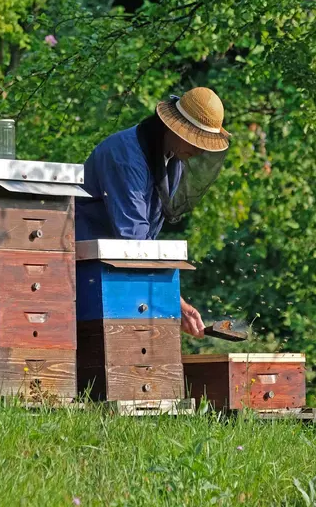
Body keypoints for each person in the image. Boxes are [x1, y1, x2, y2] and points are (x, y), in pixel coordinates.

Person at [76, 87, 231, 338]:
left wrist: (173, 300)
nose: (200, 151)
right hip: (88, 269)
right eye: (196, 140)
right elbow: (134, 240)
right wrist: (174, 300)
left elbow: (146, 241)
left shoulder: (172, 158)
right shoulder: (126, 157)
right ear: (175, 128)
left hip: (123, 265)